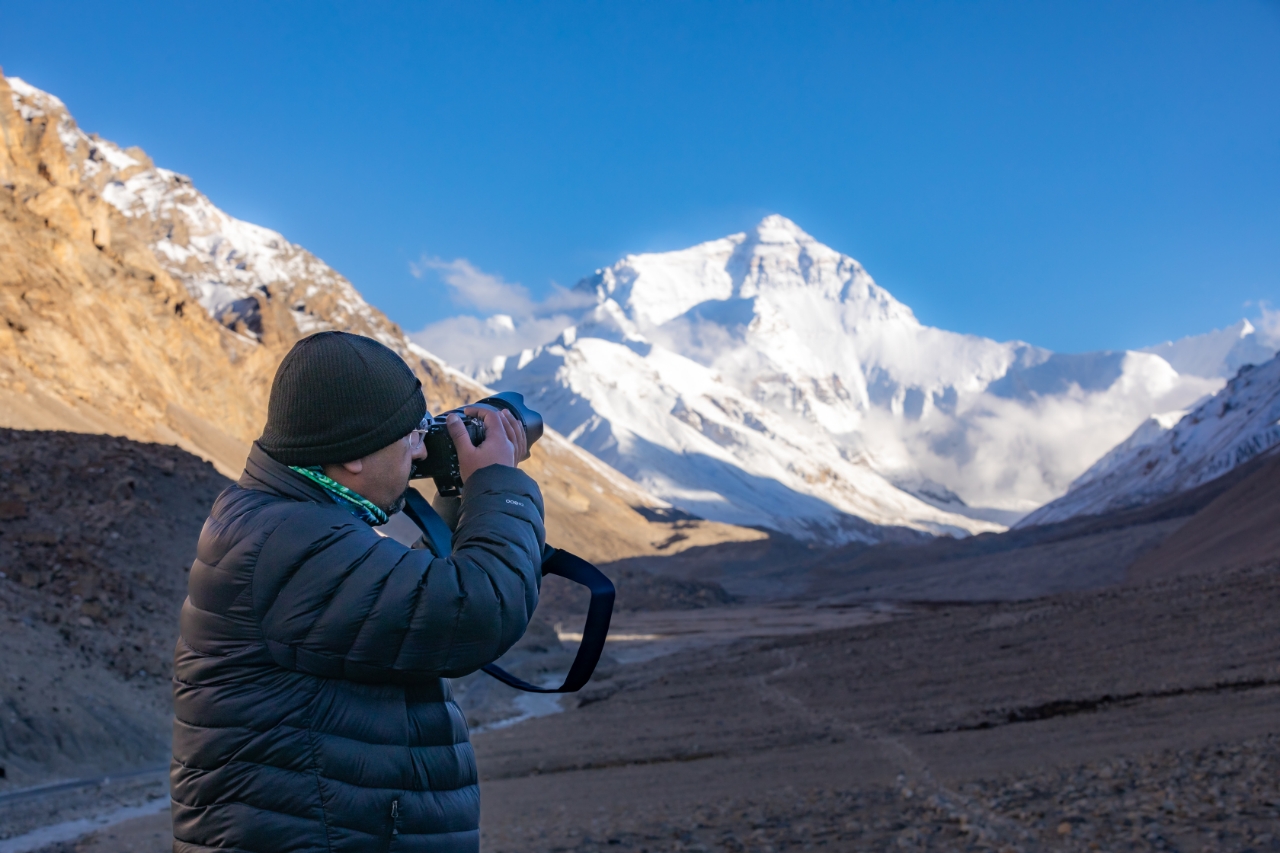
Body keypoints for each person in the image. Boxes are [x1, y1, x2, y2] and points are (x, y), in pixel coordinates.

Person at [170, 331, 543, 853]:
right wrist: (499, 482)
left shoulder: (285, 522)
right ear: (352, 459)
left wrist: (461, 493)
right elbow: (476, 611)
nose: (420, 451)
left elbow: (409, 603)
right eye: (411, 434)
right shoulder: (291, 541)